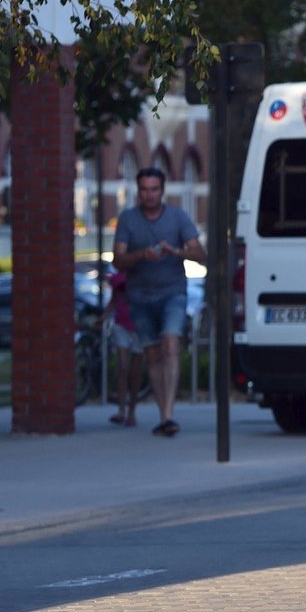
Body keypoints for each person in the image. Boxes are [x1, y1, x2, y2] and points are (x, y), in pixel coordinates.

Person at [113, 168, 207, 437]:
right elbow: (118, 259)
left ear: (162, 191)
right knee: (153, 354)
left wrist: (176, 252)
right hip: (140, 296)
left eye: (154, 189)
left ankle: (168, 415)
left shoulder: (178, 217)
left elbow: (201, 253)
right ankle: (162, 414)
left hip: (172, 293)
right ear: (138, 191)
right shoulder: (128, 219)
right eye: (144, 189)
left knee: (170, 343)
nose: (149, 195)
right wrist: (140, 255)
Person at [101, 270, 143, 427]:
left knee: (135, 370)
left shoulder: (143, 274)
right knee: (123, 367)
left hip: (140, 325)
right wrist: (103, 317)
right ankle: (121, 410)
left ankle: (132, 411)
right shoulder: (118, 279)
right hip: (121, 324)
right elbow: (114, 300)